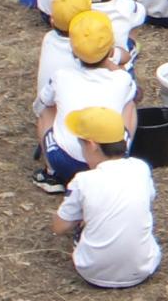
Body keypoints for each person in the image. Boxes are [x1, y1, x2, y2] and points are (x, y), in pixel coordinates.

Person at [51, 106, 161, 289]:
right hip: (143, 269)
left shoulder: (83, 180)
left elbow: (59, 227)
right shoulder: (140, 168)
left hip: (92, 272)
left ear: (92, 145)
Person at [34, 12, 135, 193]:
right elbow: (135, 93)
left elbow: (41, 104)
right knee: (129, 105)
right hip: (108, 159)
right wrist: (113, 62)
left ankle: (51, 173)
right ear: (111, 50)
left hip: (65, 160)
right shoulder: (122, 79)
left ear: (73, 50)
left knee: (46, 110)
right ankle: (122, 157)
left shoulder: (62, 76)